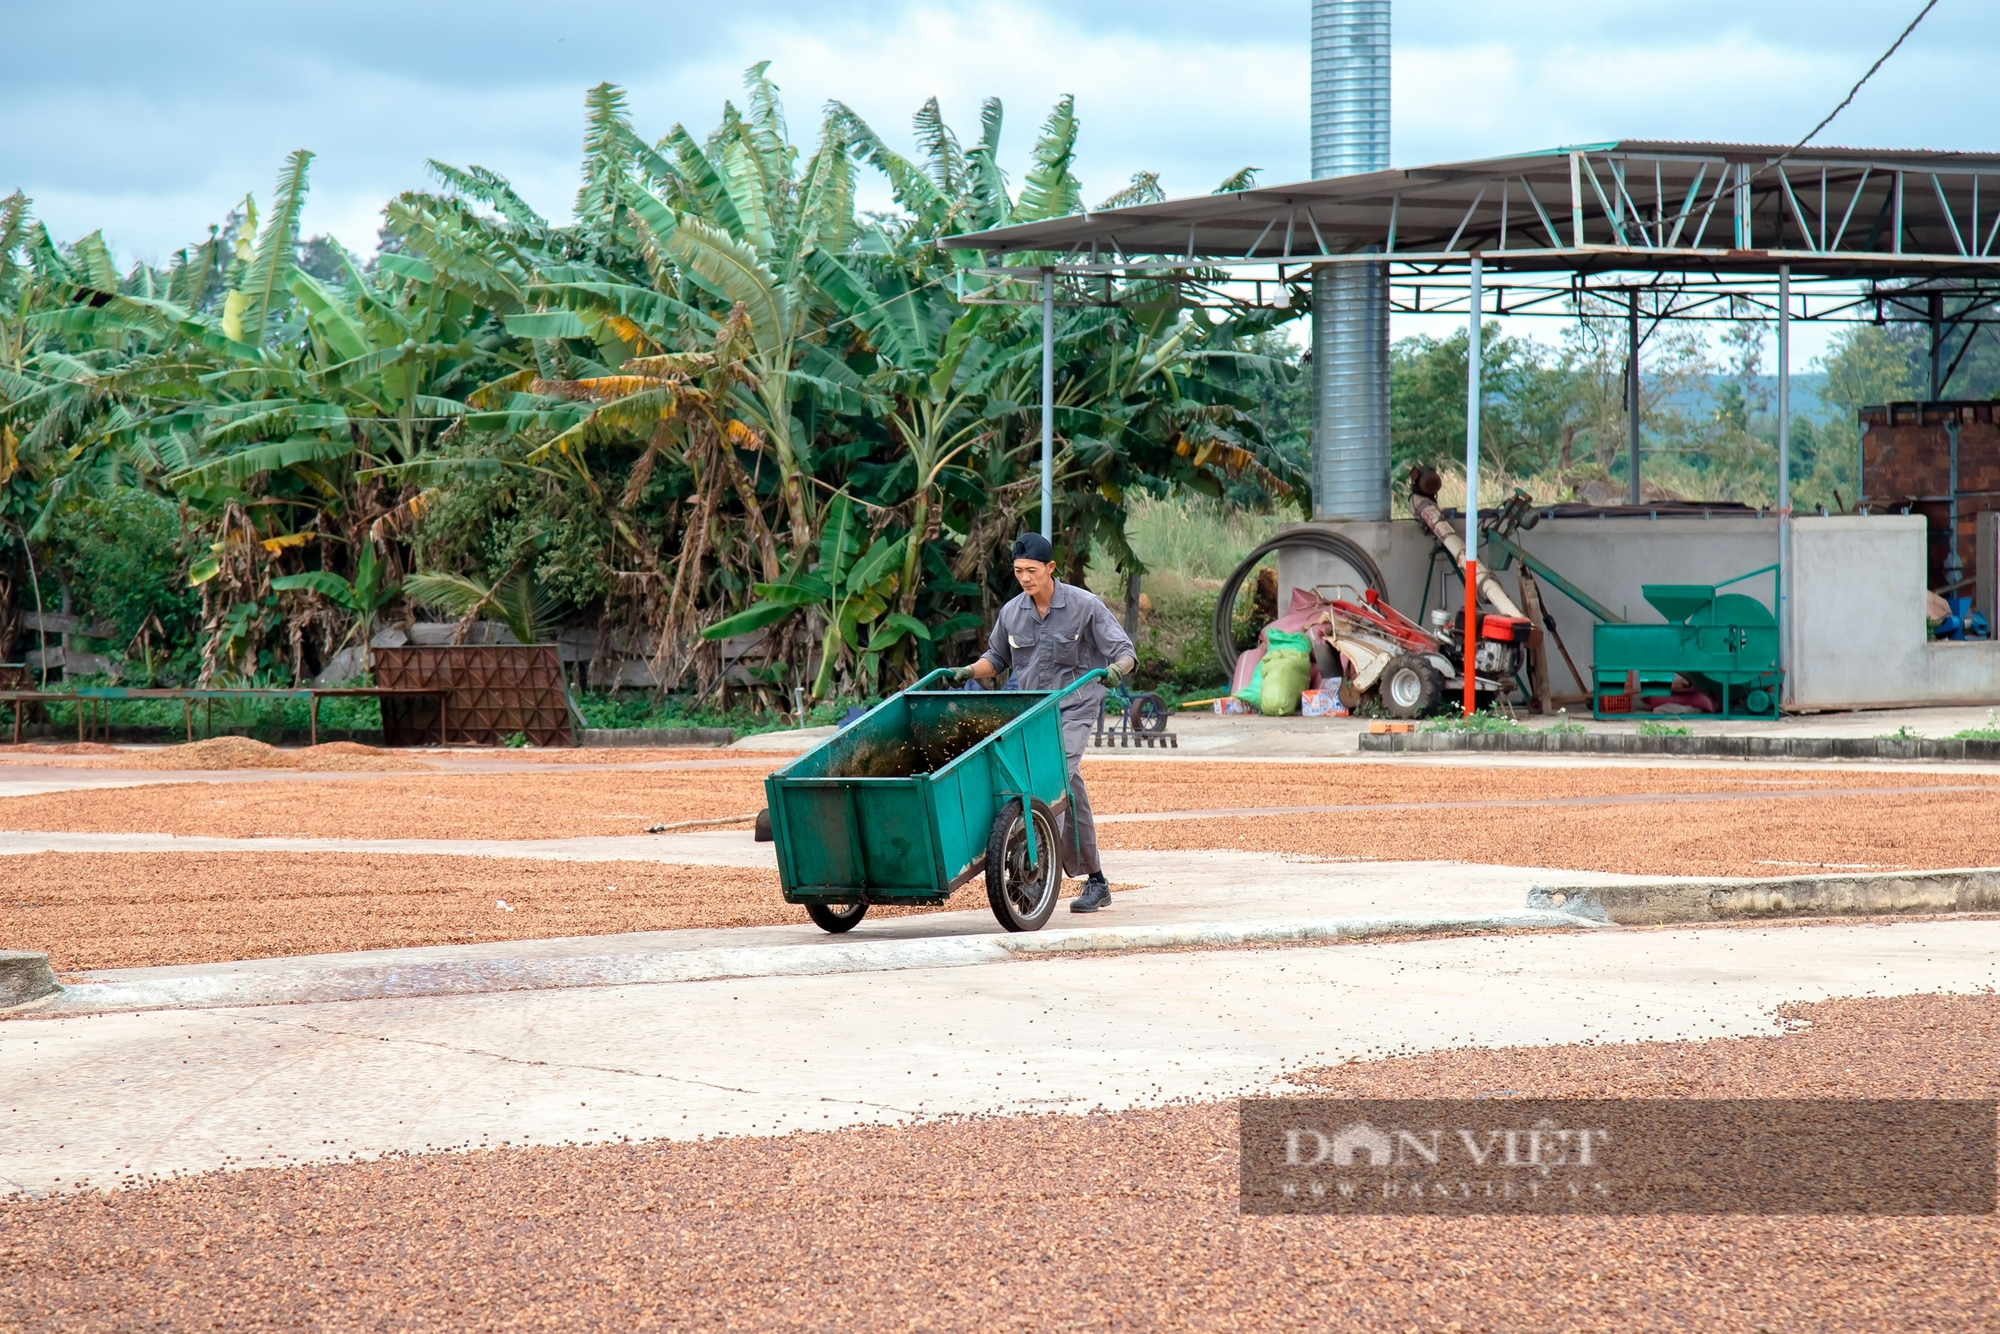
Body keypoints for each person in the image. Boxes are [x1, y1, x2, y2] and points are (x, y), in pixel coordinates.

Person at [953, 533, 1137, 912]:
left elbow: (1124, 652)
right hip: (1035, 712)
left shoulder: (1085, 606)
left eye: (1032, 571)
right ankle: (1097, 879)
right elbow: (997, 658)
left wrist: (1117, 670)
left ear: (1050, 568)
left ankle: (1033, 875)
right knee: (1070, 788)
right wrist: (969, 670)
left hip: (1076, 706)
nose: (1024, 578)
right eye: (1018, 571)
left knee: (1046, 781)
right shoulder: (1012, 612)